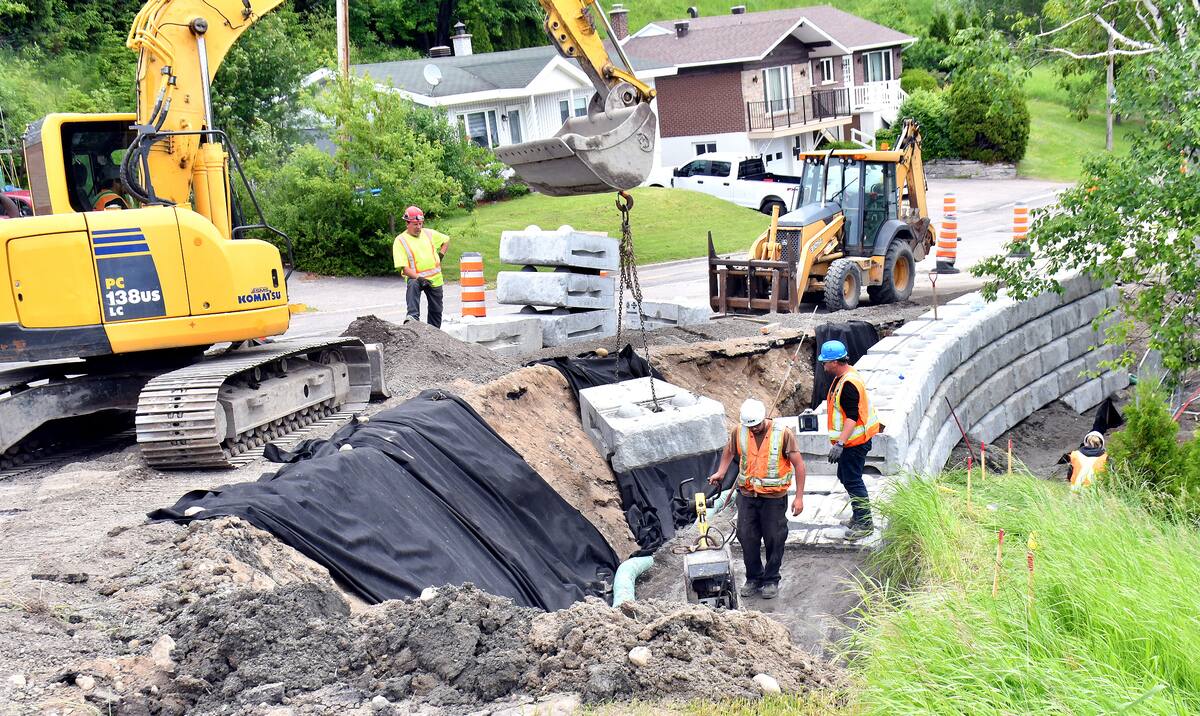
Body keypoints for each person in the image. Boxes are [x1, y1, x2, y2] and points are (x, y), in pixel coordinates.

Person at [708, 398, 806, 600]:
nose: (753, 430)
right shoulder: (740, 431)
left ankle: (771, 579)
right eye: (749, 426)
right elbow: (729, 450)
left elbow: (799, 465)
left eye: (756, 425)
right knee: (746, 536)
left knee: (774, 537)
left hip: (773, 497)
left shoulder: (783, 434)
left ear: (765, 419)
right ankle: (753, 577)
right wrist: (721, 472)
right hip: (747, 494)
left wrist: (799, 498)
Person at [820, 339, 881, 540]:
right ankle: (859, 515)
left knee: (853, 480)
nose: (823, 365)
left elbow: (852, 418)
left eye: (826, 362)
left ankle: (865, 523)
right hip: (852, 443)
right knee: (845, 477)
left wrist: (840, 444)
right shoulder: (844, 376)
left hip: (854, 443)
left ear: (836, 362)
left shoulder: (848, 384)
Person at [393, 205, 450, 328]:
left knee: (436, 310)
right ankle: (412, 319)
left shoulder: (428, 234)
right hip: (416, 278)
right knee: (413, 283)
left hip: (435, 279)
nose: (419, 227)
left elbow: (446, 240)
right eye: (415, 224)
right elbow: (405, 268)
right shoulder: (400, 241)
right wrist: (419, 278)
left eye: (420, 224)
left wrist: (440, 255)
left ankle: (434, 333)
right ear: (407, 223)